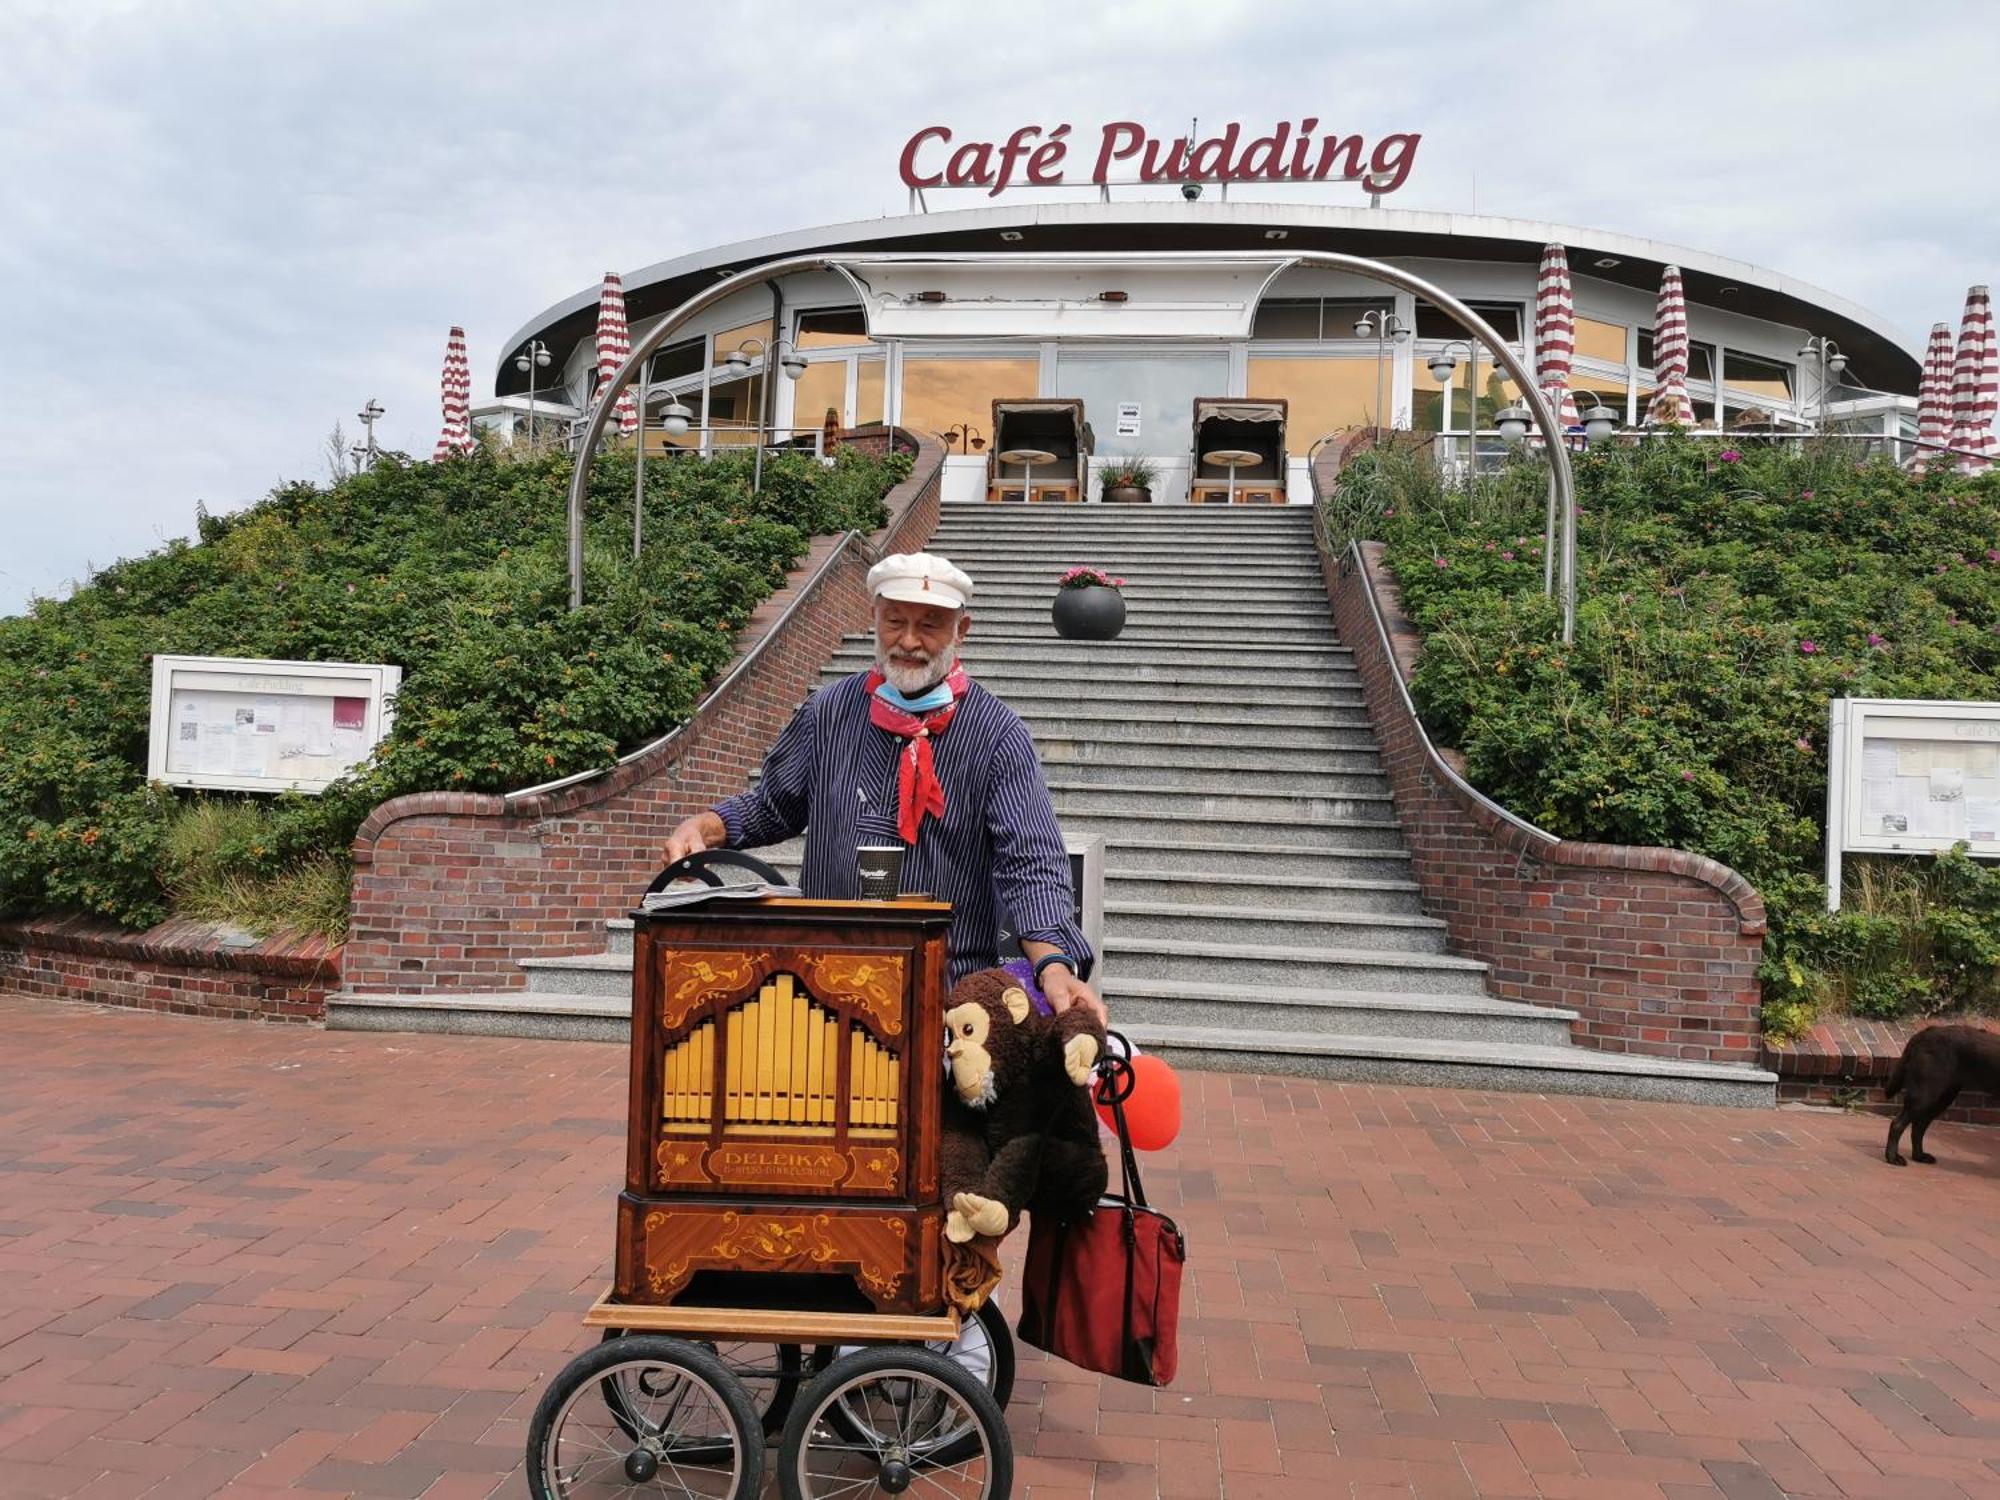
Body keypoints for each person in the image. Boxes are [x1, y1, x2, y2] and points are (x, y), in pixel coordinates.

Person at [661, 550, 1106, 1027]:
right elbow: (774, 804)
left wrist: (1053, 964)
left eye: (930, 625)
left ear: (962, 630)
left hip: (947, 997)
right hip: (825, 987)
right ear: (874, 618)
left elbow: (1031, 862)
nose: (909, 641)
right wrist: (708, 827)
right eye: (895, 621)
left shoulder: (997, 734)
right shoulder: (828, 713)